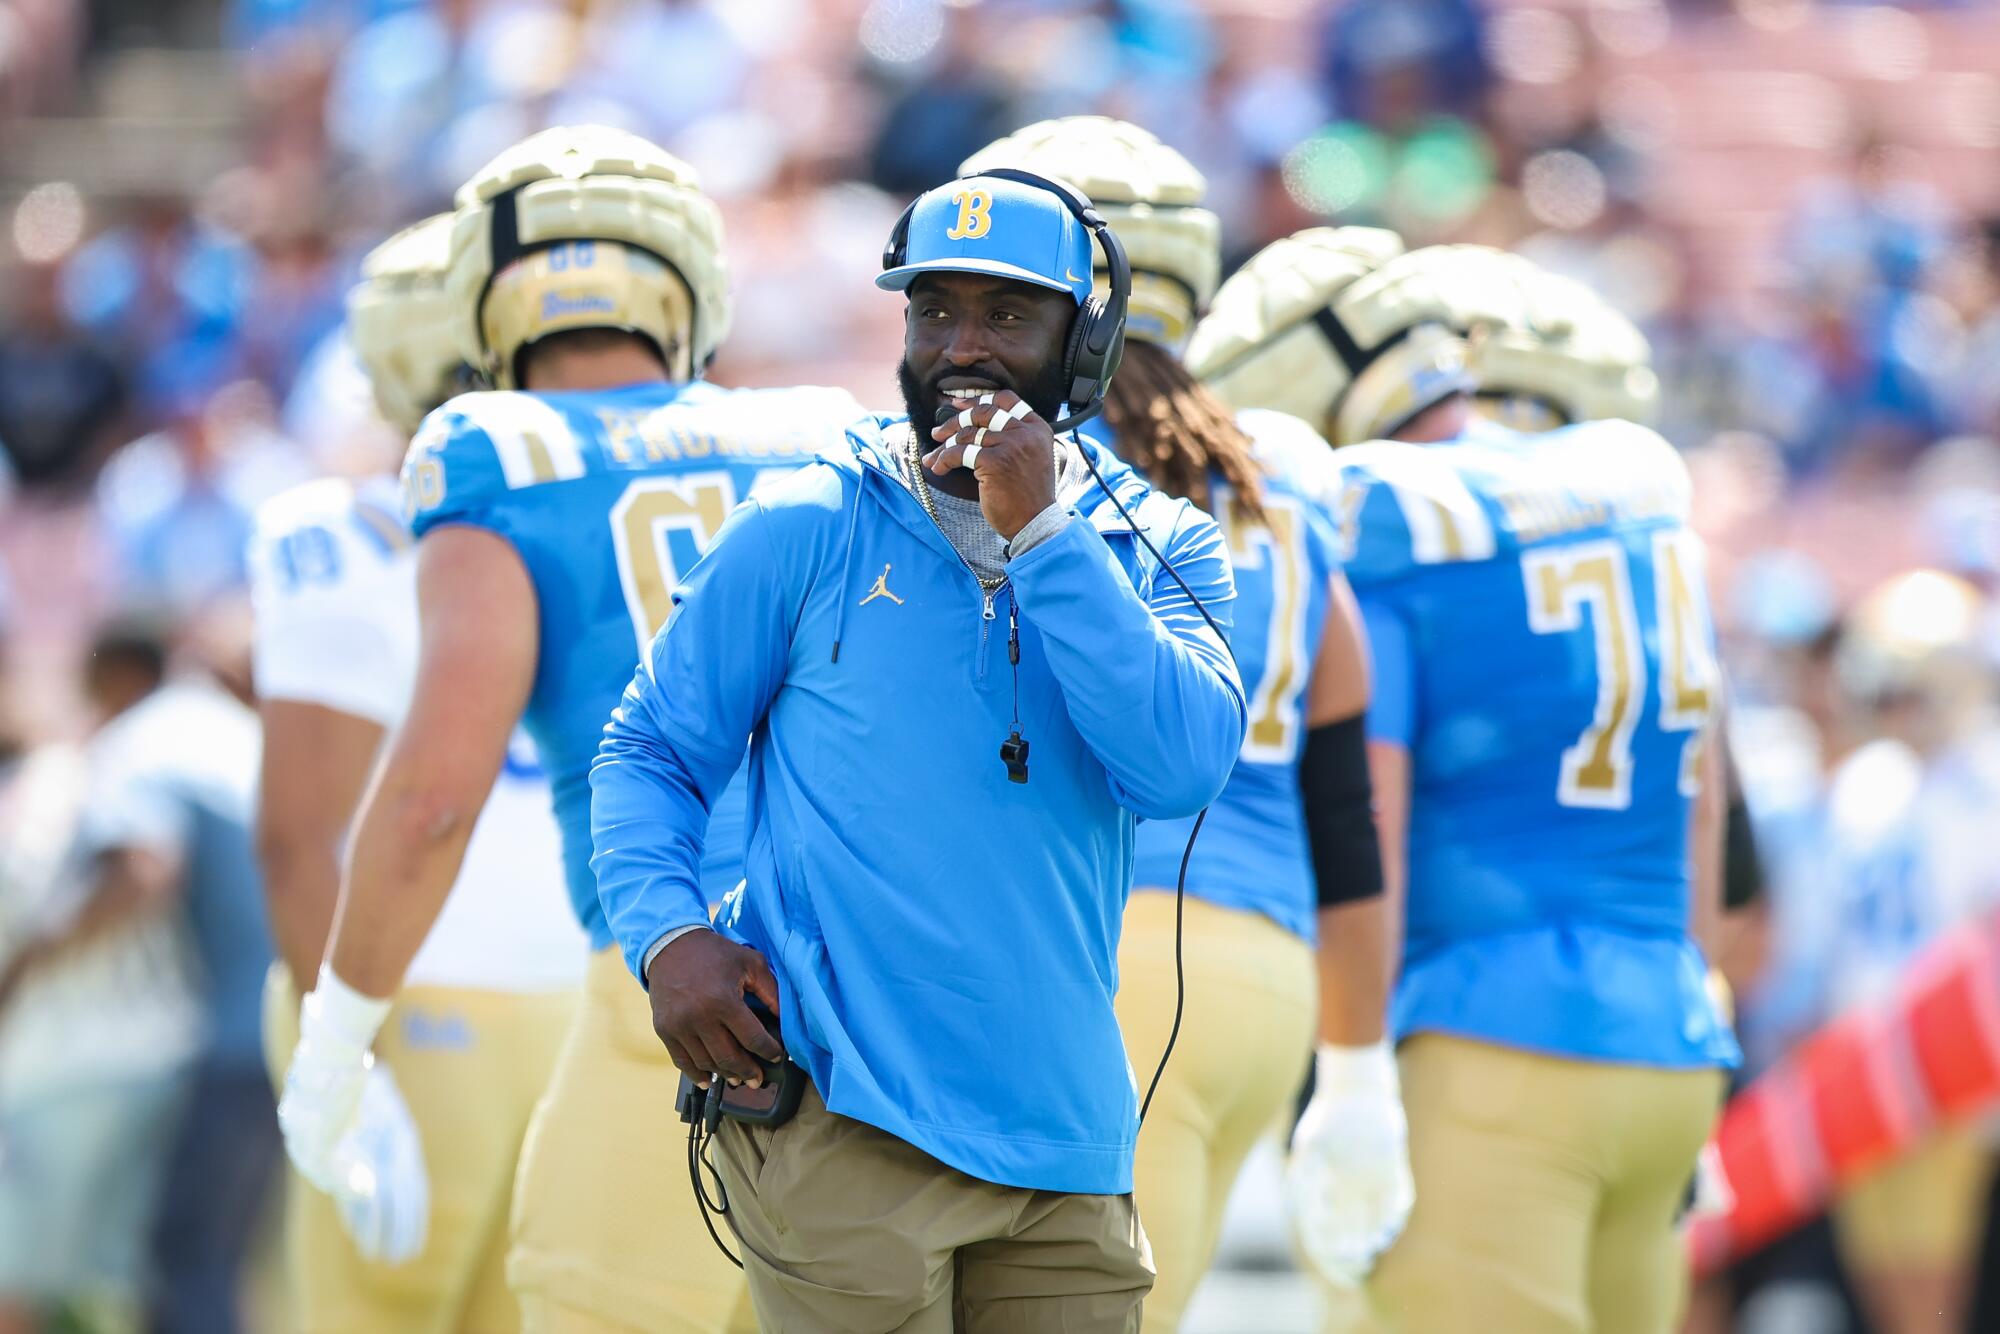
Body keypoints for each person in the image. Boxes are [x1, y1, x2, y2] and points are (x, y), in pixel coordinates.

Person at [589, 169, 1247, 1332]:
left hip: (1065, 1134)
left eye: (1006, 316)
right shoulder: (806, 519)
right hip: (845, 1113)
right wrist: (667, 932)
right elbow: (649, 747)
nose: (962, 348)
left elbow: (1179, 765)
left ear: (1081, 345)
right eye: (933, 310)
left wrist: (1040, 530)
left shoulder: (1162, 543)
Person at [271, 124, 861, 1334]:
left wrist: (335, 1044)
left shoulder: (498, 450)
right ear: (689, 278)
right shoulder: (821, 429)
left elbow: (435, 794)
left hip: (681, 983)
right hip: (881, 991)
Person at [1194, 242, 1740, 1333]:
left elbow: (1367, 823)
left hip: (1486, 1047)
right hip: (1667, 1040)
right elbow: (1703, 809)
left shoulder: (1387, 521)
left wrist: (1350, 1081)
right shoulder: (1625, 491)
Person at [960, 117, 1410, 1328]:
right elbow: (1343, 797)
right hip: (1263, 980)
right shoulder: (1285, 478)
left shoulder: (1013, 462)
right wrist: (1357, 1068)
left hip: (1093, 950)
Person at [249, 213, 585, 1331]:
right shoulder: (585, 507)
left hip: (478, 994)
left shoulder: (348, 531)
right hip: (491, 994)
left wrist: (339, 1044)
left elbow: (299, 836)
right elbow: (305, 836)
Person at [0, 615, 277, 1333]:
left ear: (117, 681)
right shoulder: (233, 731)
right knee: (217, 1266)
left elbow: (142, 866)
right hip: (286, 1023)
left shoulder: (143, 742)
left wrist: (27, 964)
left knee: (184, 1270)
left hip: (224, 1040)